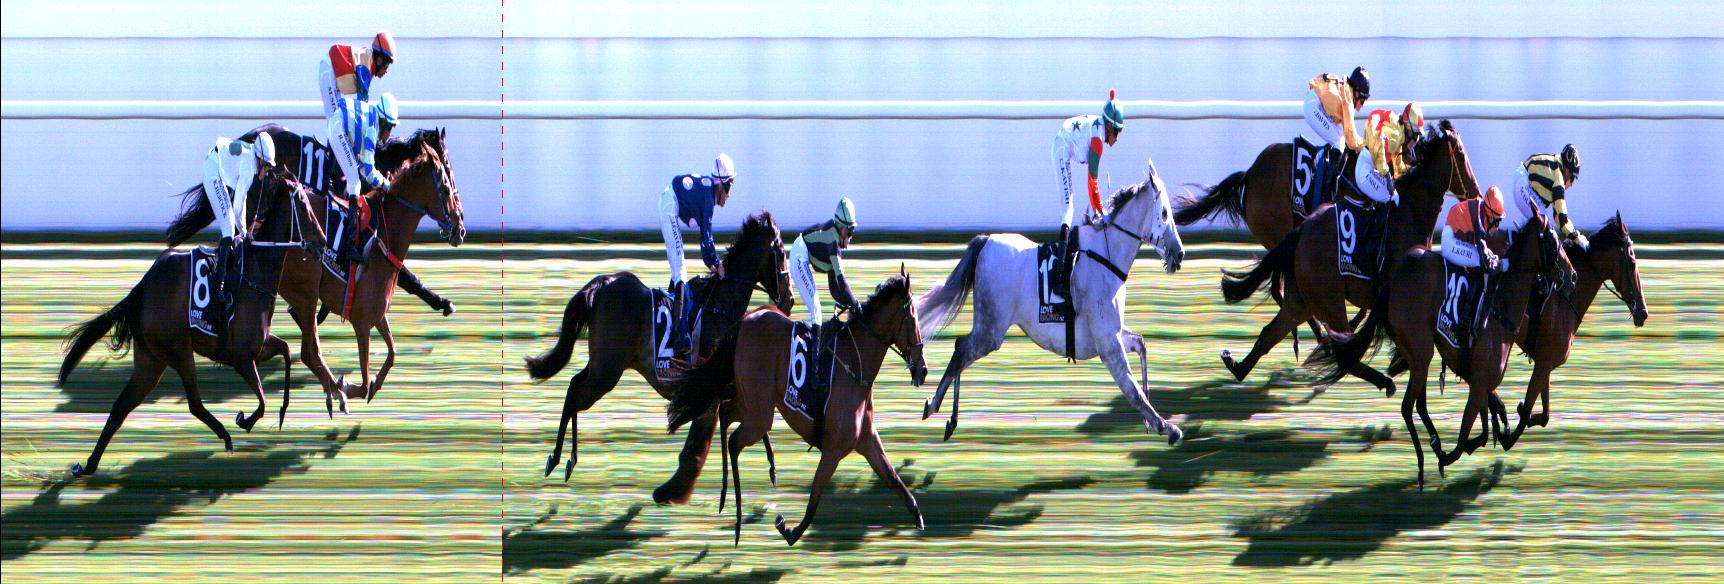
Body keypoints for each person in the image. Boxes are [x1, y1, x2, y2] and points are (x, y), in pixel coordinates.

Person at [1049, 89, 1126, 303]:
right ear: (1109, 126)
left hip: (1064, 143)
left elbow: (1092, 183)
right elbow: (1092, 181)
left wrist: (1099, 208)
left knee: (1072, 208)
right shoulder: (1098, 141)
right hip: (1061, 149)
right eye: (1117, 132)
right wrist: (1101, 211)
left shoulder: (1099, 131)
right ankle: (1059, 278)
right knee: (1068, 209)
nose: (1116, 139)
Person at [659, 154, 736, 356]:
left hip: (670, 202)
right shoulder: (708, 200)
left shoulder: (708, 194)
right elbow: (707, 238)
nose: (729, 195)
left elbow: (705, 240)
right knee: (680, 270)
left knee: (678, 268)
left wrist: (712, 263)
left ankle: (672, 317)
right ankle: (680, 335)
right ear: (721, 185)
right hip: (669, 205)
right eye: (729, 187)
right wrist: (716, 264)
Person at [201, 134, 278, 333]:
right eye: (266, 166)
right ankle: (218, 290)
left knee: (230, 227)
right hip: (213, 171)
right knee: (228, 227)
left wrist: (244, 231)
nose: (266, 172)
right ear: (259, 159)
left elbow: (241, 202)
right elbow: (237, 208)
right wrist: (244, 232)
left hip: (216, 166)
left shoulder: (252, 159)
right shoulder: (249, 167)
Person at [328, 92, 398, 261]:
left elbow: (364, 168)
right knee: (355, 182)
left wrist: (379, 181)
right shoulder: (373, 129)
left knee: (354, 177)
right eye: (390, 128)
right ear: (384, 123)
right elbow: (369, 172)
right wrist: (387, 185)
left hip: (338, 124)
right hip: (338, 129)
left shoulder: (371, 120)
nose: (389, 134)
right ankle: (350, 245)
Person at [1440, 186, 1509, 340]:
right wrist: (1502, 264)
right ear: (1491, 216)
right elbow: (1485, 261)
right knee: (1479, 261)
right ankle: (1466, 316)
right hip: (1450, 243)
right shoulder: (1479, 219)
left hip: (1454, 236)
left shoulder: (1482, 211)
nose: (1497, 227)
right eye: (1497, 222)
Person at [789, 198, 862, 325]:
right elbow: (843, 284)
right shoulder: (833, 243)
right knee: (816, 308)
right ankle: (813, 339)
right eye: (850, 233)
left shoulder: (834, 242)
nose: (850, 238)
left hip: (801, 252)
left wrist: (848, 303)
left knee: (817, 309)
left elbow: (835, 289)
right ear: (843, 229)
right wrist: (857, 306)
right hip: (799, 255)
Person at [1304, 67, 1372, 199]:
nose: (1362, 105)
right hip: (1313, 106)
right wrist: (1365, 146)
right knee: (1338, 143)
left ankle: (1328, 173)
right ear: (1356, 92)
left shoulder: (1347, 90)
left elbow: (1347, 133)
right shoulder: (1348, 100)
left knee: (1340, 136)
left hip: (1315, 101)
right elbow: (1351, 140)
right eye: (1363, 99)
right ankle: (1328, 192)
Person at [1504, 144, 1587, 250]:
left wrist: (1574, 235)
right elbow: (1562, 219)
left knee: (1542, 223)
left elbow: (1557, 217)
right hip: (1522, 183)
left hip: (1522, 179)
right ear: (1567, 172)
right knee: (1544, 223)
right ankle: (1513, 246)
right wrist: (1578, 238)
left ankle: (1516, 241)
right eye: (1573, 178)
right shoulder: (1558, 180)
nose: (1572, 185)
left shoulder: (1556, 167)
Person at [319, 32, 396, 127]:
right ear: (380, 59)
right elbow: (362, 104)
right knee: (335, 119)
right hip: (329, 69)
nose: (386, 71)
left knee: (338, 119)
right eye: (387, 65)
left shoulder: (369, 62)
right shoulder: (366, 66)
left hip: (331, 69)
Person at [1358, 102, 1424, 205]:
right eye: (1415, 134)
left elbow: (1398, 166)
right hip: (1365, 171)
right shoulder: (1396, 136)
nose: (1415, 139)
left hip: (1370, 167)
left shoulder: (1399, 132)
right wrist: (1386, 174)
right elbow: (1378, 147)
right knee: (1394, 199)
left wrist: (1412, 170)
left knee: (1394, 193)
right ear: (1408, 126)